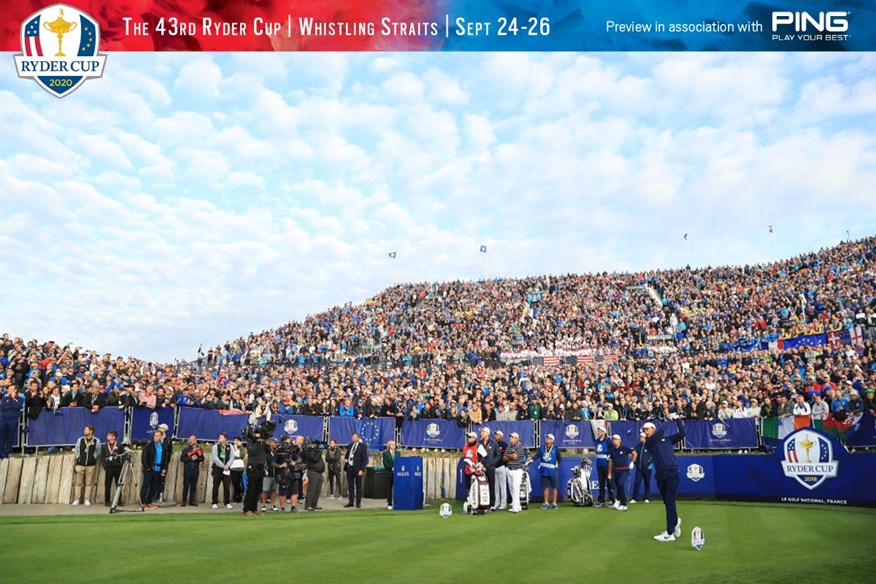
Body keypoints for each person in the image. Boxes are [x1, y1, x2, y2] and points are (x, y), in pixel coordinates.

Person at [642, 417, 686, 542]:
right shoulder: (649, 441)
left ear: (653, 429)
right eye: (644, 430)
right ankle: (675, 521)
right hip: (660, 475)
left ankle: (670, 533)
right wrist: (669, 420)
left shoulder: (668, 440)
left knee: (670, 502)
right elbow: (661, 431)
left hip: (672, 473)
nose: (645, 431)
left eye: (647, 429)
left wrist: (677, 420)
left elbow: (682, 434)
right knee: (667, 502)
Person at [71, 424, 101, 506]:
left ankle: (86, 499)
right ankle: (76, 499)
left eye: (86, 429)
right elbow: (76, 450)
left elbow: (98, 451)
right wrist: (78, 458)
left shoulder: (96, 441)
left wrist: (93, 458)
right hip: (80, 464)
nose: (84, 431)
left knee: (88, 483)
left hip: (90, 465)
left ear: (91, 431)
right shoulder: (80, 440)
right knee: (78, 483)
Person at [140, 429, 170, 509]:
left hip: (158, 468)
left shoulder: (163, 446)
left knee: (154, 486)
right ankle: (142, 502)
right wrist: (147, 467)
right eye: (155, 436)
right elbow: (144, 457)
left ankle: (149, 502)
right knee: (146, 485)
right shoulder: (149, 446)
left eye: (157, 436)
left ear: (161, 436)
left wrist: (164, 467)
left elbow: (165, 458)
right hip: (150, 468)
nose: (156, 437)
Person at [607, 434, 636, 511]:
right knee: (619, 486)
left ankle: (623, 504)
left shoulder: (624, 448)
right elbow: (610, 461)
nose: (614, 441)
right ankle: (617, 500)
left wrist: (632, 462)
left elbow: (634, 453)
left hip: (624, 469)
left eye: (616, 439)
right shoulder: (612, 450)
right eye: (613, 439)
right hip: (615, 470)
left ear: (620, 440)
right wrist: (609, 473)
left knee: (620, 484)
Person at [243, 427, 268, 516]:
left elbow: (268, 451)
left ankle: (254, 508)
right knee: (251, 489)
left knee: (258, 490)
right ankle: (247, 509)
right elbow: (253, 451)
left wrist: (265, 442)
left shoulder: (262, 443)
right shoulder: (250, 442)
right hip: (252, 467)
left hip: (260, 467)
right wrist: (258, 442)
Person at [533, 433, 561, 510]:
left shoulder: (555, 448)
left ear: (552, 440)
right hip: (544, 470)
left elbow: (559, 458)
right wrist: (532, 458)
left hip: (553, 470)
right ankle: (546, 502)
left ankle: (554, 503)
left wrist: (556, 465)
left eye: (549, 438)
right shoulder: (542, 447)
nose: (547, 439)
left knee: (554, 487)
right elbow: (537, 455)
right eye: (546, 438)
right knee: (545, 487)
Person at [100, 430, 126, 507]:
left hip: (118, 467)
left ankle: (119, 500)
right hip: (109, 468)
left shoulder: (119, 445)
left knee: (118, 484)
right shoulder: (104, 446)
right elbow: (102, 457)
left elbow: (123, 455)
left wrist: (122, 464)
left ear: (114, 437)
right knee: (107, 485)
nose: (107, 436)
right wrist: (105, 466)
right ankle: (107, 501)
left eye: (109, 435)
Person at [503, 431, 526, 513]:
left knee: (516, 489)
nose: (511, 438)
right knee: (512, 489)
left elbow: (515, 456)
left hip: (517, 470)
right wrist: (510, 456)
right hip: (509, 469)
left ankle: (515, 507)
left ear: (516, 439)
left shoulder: (519, 447)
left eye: (512, 437)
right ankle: (518, 506)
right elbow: (504, 458)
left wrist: (510, 457)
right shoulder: (508, 447)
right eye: (510, 437)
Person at [179, 435, 205, 507]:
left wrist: (196, 458)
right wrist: (190, 458)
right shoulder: (186, 449)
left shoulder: (199, 449)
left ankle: (192, 501)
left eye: (192, 440)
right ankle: (184, 501)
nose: (190, 441)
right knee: (186, 485)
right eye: (189, 440)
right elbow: (182, 459)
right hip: (187, 469)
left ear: (195, 440)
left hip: (195, 469)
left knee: (193, 485)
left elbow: (202, 458)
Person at [478, 427, 499, 511]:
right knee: (482, 485)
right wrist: (480, 463)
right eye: (481, 432)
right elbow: (478, 455)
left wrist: (492, 463)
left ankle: (492, 504)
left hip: (490, 468)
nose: (481, 433)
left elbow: (498, 455)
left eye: (483, 432)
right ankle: (483, 503)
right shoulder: (479, 443)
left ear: (487, 433)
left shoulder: (493, 443)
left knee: (491, 485)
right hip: (481, 467)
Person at [211, 433, 234, 509]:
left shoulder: (230, 446)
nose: (219, 438)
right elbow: (215, 458)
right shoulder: (215, 446)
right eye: (219, 437)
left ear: (225, 439)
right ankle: (214, 502)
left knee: (227, 486)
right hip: (218, 469)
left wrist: (227, 465)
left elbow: (232, 457)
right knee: (216, 486)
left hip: (226, 469)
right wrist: (222, 465)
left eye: (221, 437)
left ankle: (227, 502)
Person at [344, 432, 367, 508]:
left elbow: (364, 459)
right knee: (350, 486)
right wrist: (346, 459)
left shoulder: (362, 446)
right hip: (350, 467)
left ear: (358, 438)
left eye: (354, 437)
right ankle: (351, 501)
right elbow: (347, 454)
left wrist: (362, 469)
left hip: (358, 468)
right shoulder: (350, 446)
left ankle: (358, 502)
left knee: (358, 486)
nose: (353, 438)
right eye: (352, 436)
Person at [593, 426, 614, 507]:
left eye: (600, 431)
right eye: (598, 431)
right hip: (599, 464)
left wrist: (610, 458)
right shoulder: (596, 441)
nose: (598, 433)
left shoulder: (608, 441)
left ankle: (612, 500)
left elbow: (612, 451)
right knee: (601, 483)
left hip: (607, 464)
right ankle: (601, 501)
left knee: (609, 483)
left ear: (604, 432)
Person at [0, 386, 22, 460]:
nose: (9, 390)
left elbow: (17, 406)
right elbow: (2, 407)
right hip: (3, 420)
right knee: (1, 437)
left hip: (13, 420)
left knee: (10, 438)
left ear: (15, 390)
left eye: (11, 389)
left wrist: (12, 400)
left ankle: (7, 453)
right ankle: (1, 454)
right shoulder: (4, 399)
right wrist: (11, 404)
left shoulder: (20, 399)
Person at [630, 432, 652, 504]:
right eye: (640, 437)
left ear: (645, 437)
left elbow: (653, 456)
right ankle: (634, 498)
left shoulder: (649, 445)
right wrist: (634, 462)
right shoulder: (638, 446)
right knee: (637, 482)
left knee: (647, 483)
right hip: (639, 468)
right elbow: (634, 454)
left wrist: (649, 464)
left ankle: (647, 497)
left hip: (647, 468)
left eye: (642, 437)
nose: (640, 438)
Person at [304, 440, 326, 512]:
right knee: (312, 489)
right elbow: (314, 459)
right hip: (313, 471)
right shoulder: (309, 451)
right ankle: (308, 505)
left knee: (317, 489)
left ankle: (314, 504)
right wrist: (319, 451)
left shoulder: (316, 451)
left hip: (319, 472)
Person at [261, 437, 279, 512]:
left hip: (276, 474)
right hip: (268, 474)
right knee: (265, 490)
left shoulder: (277, 452)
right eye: (275, 443)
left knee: (274, 490)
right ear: (271, 443)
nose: (276, 444)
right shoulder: (266, 452)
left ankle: (272, 504)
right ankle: (264, 505)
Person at [493, 430, 509, 511]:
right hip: (494, 467)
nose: (496, 436)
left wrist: (505, 466)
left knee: (503, 486)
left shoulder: (504, 445)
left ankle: (503, 503)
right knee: (496, 487)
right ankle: (497, 503)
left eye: (497, 435)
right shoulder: (493, 444)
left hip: (502, 467)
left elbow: (507, 456)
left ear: (501, 436)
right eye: (495, 435)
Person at [383, 440, 399, 510]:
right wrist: (392, 467)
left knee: (397, 488)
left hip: (397, 473)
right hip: (389, 473)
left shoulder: (398, 453)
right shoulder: (386, 453)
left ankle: (397, 503)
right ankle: (389, 503)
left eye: (394, 444)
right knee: (389, 489)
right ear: (389, 446)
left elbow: (399, 461)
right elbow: (385, 463)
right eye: (392, 444)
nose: (394, 446)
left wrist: (396, 467)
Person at [230, 437, 246, 503]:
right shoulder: (231, 447)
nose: (236, 442)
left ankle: (237, 497)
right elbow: (232, 455)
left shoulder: (242, 448)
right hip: (233, 467)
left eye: (237, 441)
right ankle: (239, 494)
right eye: (235, 440)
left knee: (239, 482)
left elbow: (242, 455)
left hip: (240, 467)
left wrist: (240, 446)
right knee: (235, 482)